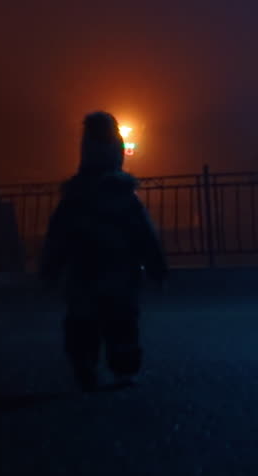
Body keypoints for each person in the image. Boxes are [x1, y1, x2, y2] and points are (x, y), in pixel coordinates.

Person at [40, 111, 168, 391]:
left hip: (83, 269)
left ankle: (85, 366)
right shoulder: (124, 197)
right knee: (121, 321)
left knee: (83, 321)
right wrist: (157, 267)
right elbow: (143, 233)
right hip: (119, 269)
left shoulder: (75, 198)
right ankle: (124, 370)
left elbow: (58, 235)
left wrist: (50, 269)